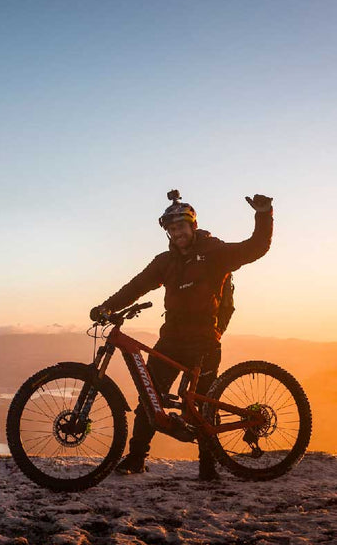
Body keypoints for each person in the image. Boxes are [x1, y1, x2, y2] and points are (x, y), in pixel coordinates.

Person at [90, 190, 273, 481]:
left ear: (193, 226)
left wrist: (263, 214)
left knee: (202, 406)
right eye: (172, 229)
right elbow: (137, 285)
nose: (177, 233)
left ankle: (208, 466)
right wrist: (107, 307)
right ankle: (136, 457)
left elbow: (255, 248)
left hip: (205, 340)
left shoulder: (215, 253)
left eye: (181, 227)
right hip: (171, 339)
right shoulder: (166, 262)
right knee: (149, 398)